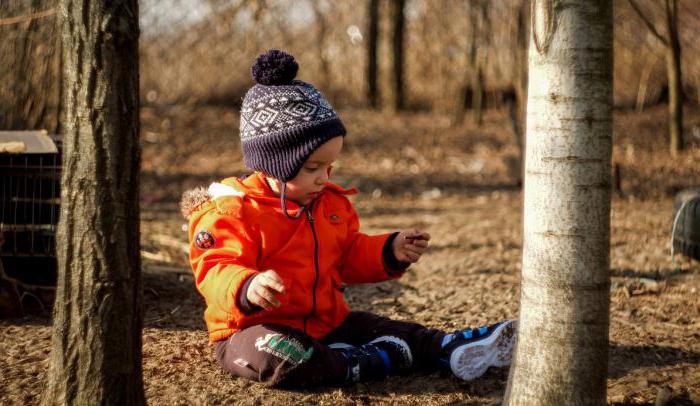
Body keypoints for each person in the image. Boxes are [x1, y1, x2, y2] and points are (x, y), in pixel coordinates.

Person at [181, 49, 516, 388]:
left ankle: (447, 346)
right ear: (273, 162)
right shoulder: (231, 211)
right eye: (311, 168)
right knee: (281, 355)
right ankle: (357, 361)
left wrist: (388, 250)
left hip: (328, 323)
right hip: (252, 330)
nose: (323, 178)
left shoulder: (330, 204)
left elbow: (347, 255)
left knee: (382, 326)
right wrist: (246, 285)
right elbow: (215, 268)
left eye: (329, 167)